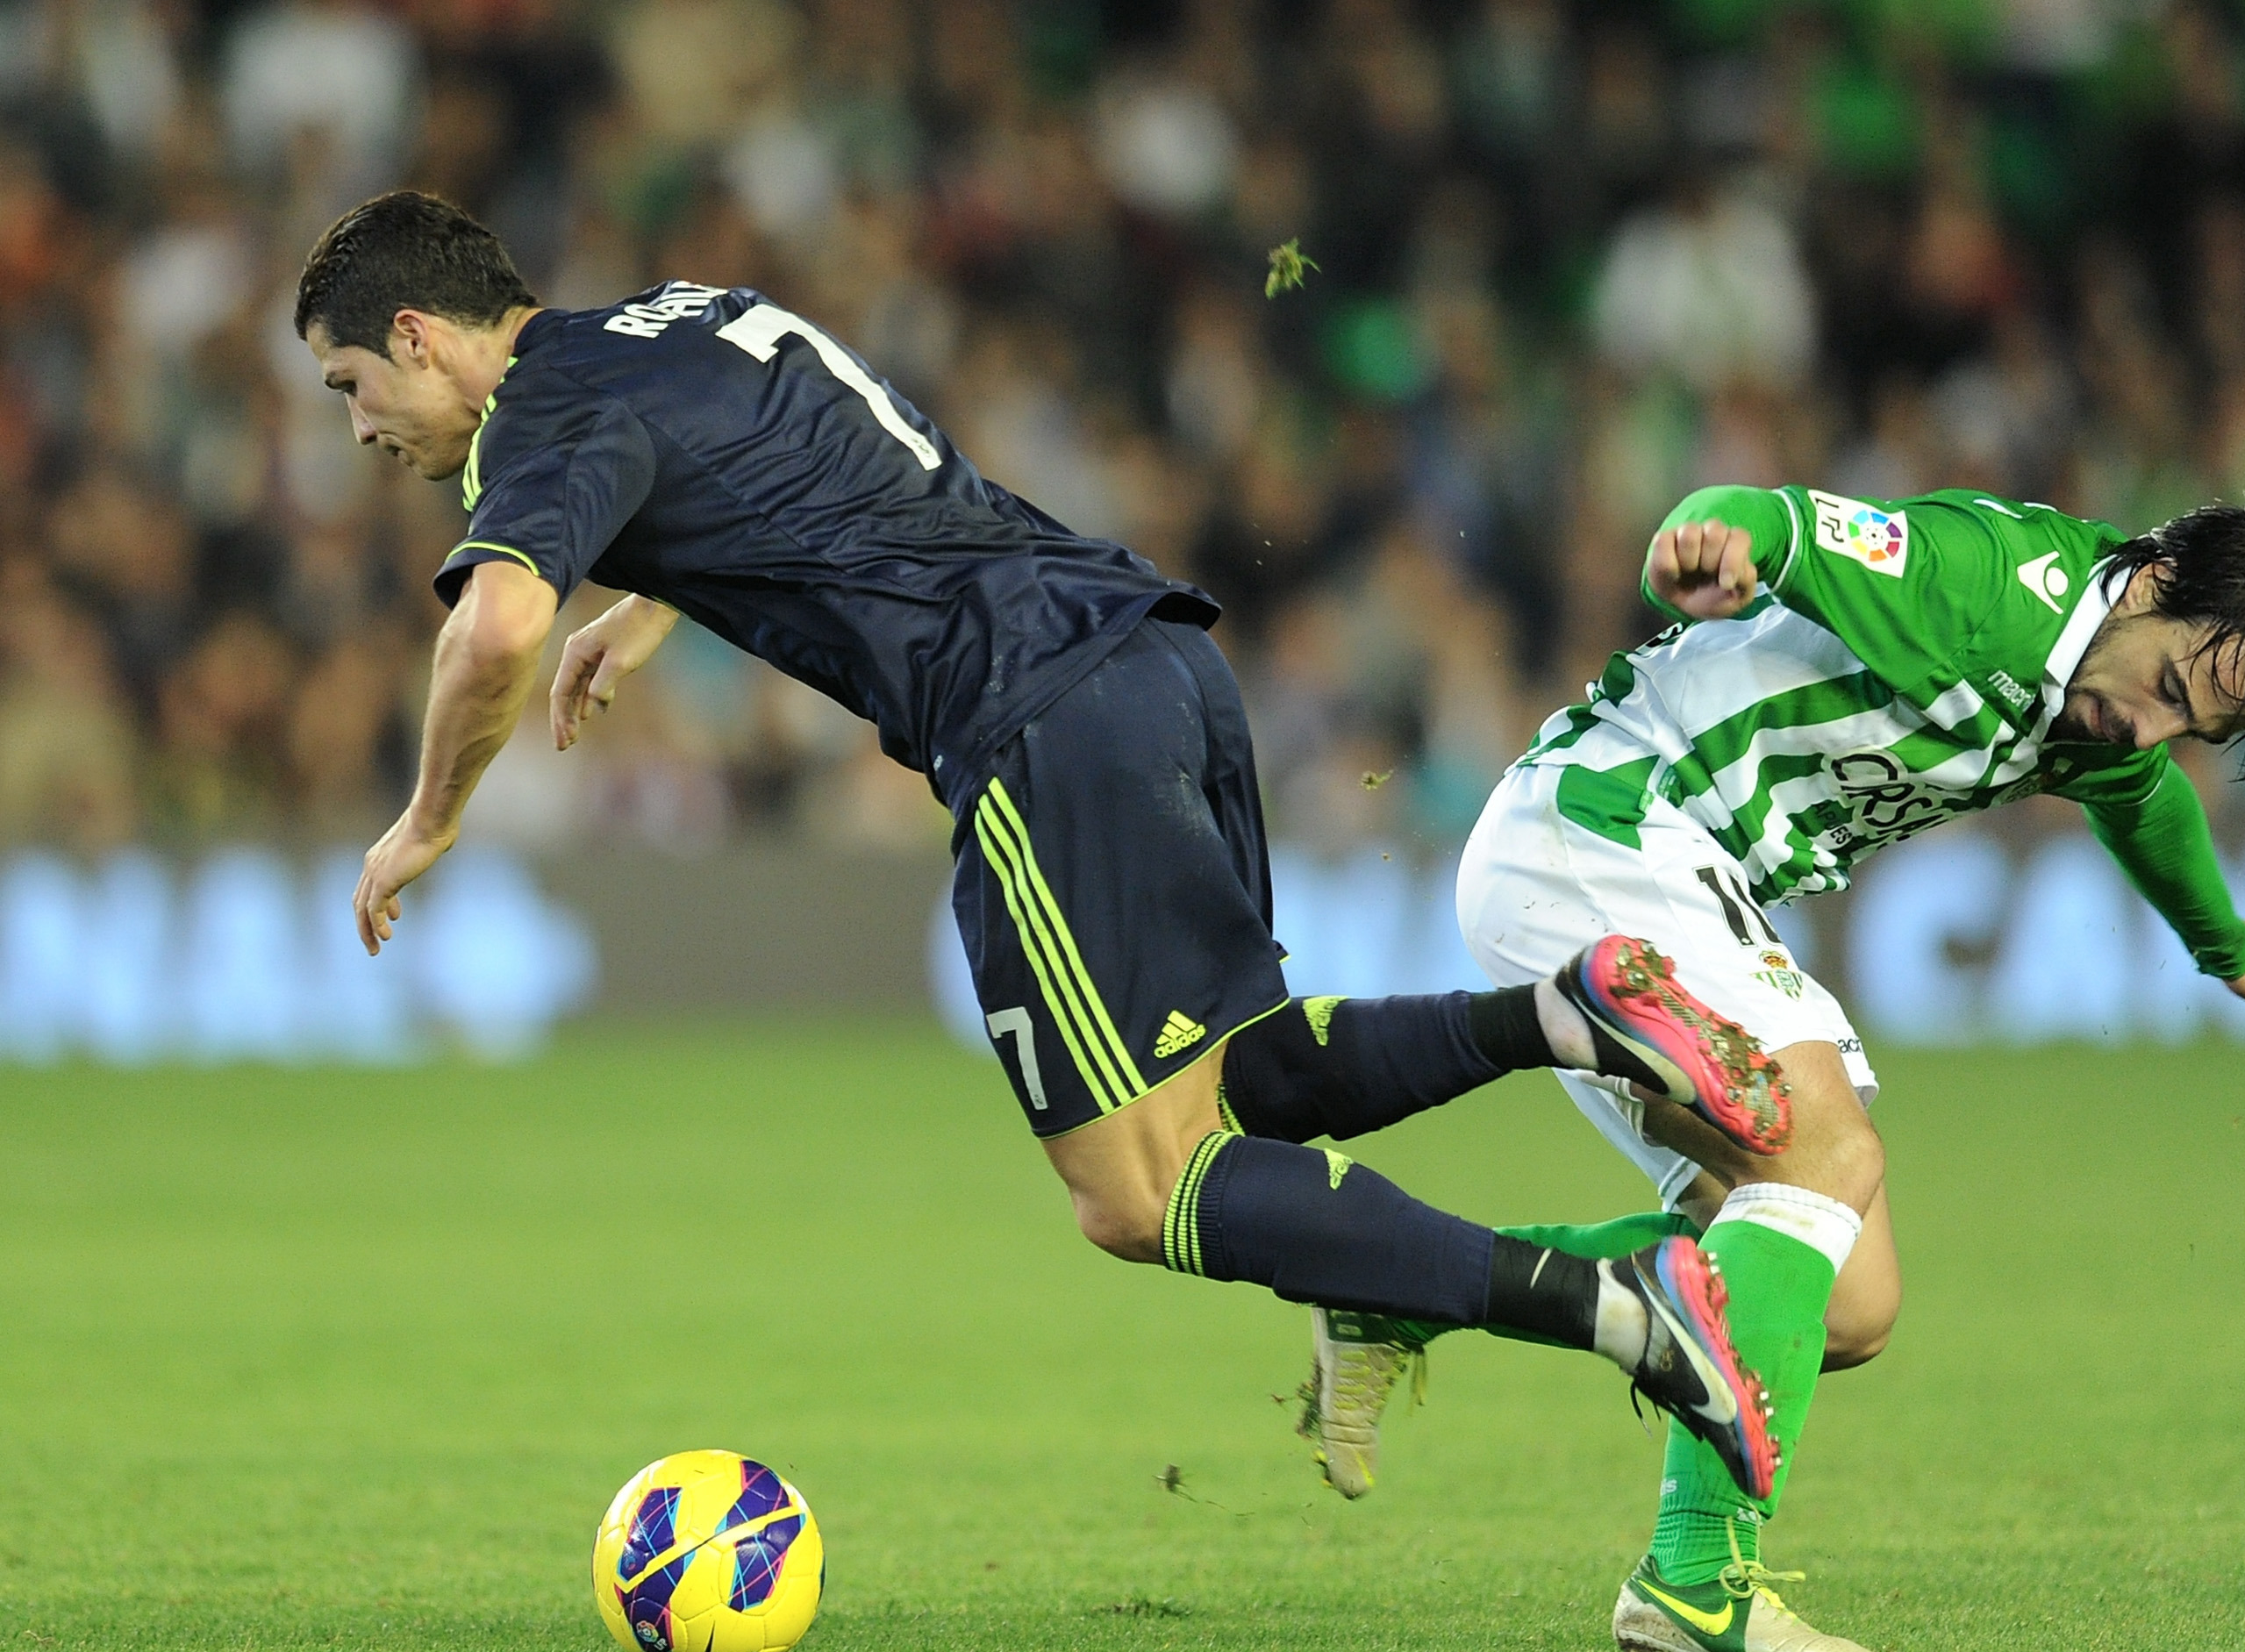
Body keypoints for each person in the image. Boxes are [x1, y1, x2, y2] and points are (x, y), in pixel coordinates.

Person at [296, 190, 1799, 1492]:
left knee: (1133, 1196)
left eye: (352, 383)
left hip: (1034, 724)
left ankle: (1625, 1307)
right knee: (1242, 1081)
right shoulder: (687, 316)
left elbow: (491, 627)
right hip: (1150, 655)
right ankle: (1573, 1008)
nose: (360, 425)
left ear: (424, 335)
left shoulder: (535, 418)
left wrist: (427, 820)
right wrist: (653, 603)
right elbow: (797, 466)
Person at [1295, 482, 2245, 1652]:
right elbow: (1789, 526)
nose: (2145, 728)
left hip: (1684, 888)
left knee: (1847, 1303)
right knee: (1821, 1150)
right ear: (2151, 585)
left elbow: (2136, 798)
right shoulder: (1986, 583)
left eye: (2187, 726)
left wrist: (2225, 946)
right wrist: (1716, 542)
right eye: (2170, 690)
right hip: (1605, 831)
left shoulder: (2100, 704)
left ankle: (1400, 1281)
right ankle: (1692, 1578)